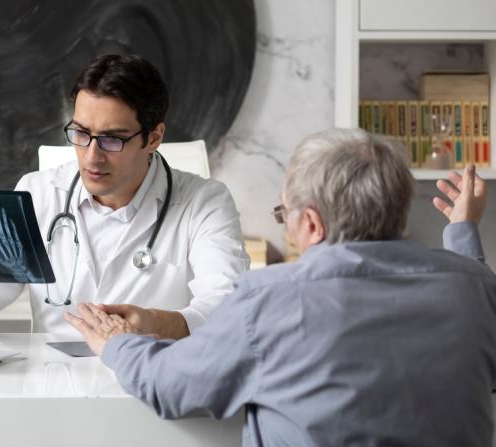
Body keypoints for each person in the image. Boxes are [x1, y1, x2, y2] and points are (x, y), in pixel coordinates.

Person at [68, 128, 496, 447]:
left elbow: (168, 386)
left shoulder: (271, 299)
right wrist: (462, 232)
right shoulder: (473, 286)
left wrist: (116, 343)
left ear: (311, 223)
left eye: (284, 214)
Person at [0, 54, 249, 337]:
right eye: (80, 133)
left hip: (151, 384)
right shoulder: (37, 194)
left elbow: (228, 307)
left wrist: (156, 322)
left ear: (153, 137)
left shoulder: (206, 203)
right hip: (55, 393)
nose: (92, 156)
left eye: (112, 139)